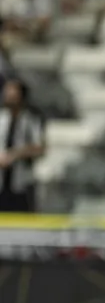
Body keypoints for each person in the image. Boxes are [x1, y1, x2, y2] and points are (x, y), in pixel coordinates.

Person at [0, 79, 44, 213]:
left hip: (22, 184)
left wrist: (14, 155)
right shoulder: (1, 119)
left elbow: (39, 148)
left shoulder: (31, 120)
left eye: (13, 93)